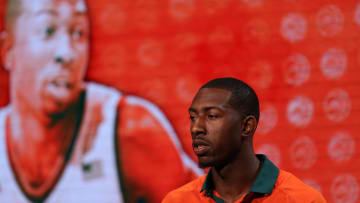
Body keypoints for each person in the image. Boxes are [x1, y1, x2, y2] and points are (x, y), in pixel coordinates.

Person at [0, 0, 202, 202]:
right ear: (7, 50)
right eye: (48, 31)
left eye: (78, 33)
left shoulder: (130, 131)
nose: (67, 53)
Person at [162, 77, 326, 203]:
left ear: (246, 126)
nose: (196, 128)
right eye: (192, 117)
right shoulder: (178, 200)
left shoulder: (301, 199)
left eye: (211, 116)